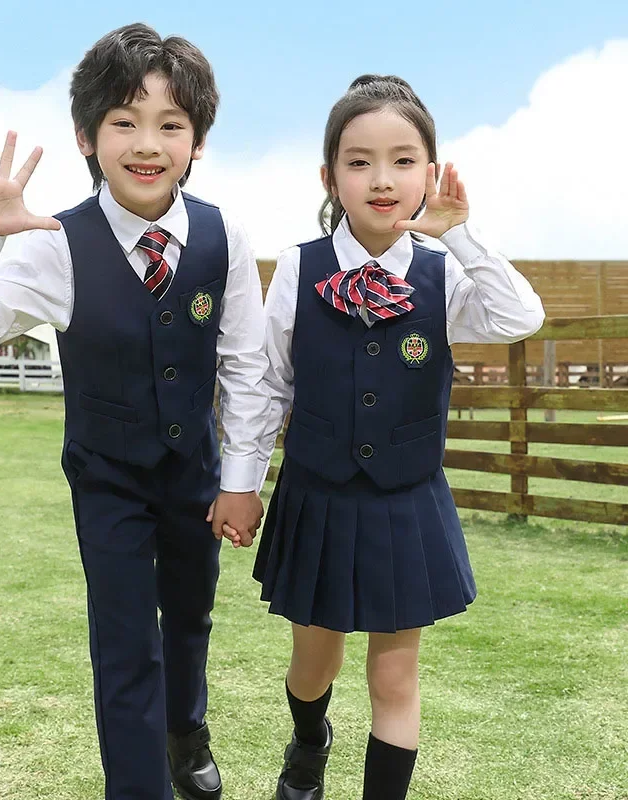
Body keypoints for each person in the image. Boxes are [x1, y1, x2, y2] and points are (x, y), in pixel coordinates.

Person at [0, 23, 269, 800]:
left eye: (170, 125)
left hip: (195, 473)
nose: (146, 143)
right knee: (125, 645)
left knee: (189, 619)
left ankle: (186, 728)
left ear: (197, 142)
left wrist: (244, 478)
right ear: (87, 136)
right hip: (107, 476)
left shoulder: (224, 237)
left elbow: (246, 367)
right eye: (124, 121)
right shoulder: (55, 242)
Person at [251, 74, 545, 800]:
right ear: (330, 176)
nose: (382, 180)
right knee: (314, 661)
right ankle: (309, 737)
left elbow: (521, 319)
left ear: (432, 172)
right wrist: (242, 481)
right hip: (318, 493)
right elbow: (267, 382)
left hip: (405, 498)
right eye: (359, 161)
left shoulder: (446, 277)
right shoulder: (300, 266)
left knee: (395, 673)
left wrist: (462, 234)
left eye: (403, 160)